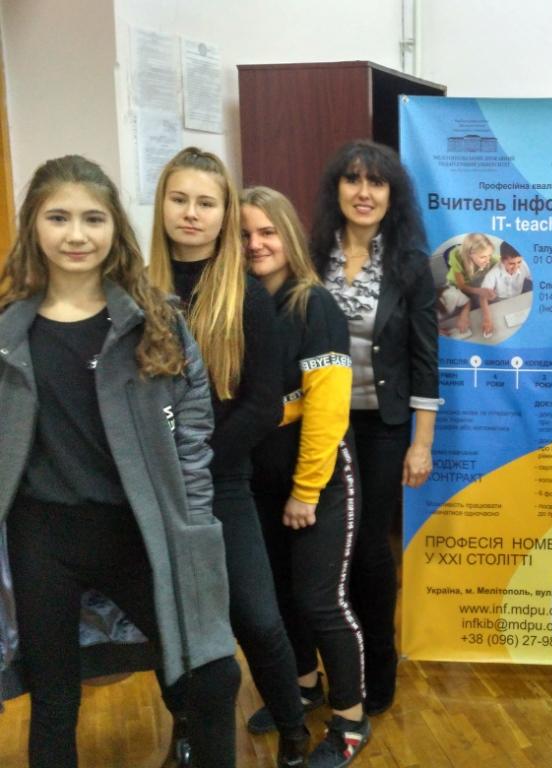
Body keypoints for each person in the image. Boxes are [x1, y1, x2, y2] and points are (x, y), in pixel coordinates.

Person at [0, 155, 240, 767]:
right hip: (42, 537)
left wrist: (193, 521)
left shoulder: (153, 320)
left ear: (115, 228)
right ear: (33, 226)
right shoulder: (8, 331)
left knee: (211, 677)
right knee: (54, 699)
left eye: (93, 218)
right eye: (58, 218)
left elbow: (193, 426)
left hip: (140, 529)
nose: (76, 235)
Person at [148, 148, 309, 767]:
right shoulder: (136, 291)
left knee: (258, 618)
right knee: (172, 627)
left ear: (224, 215)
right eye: (180, 199)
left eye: (206, 202)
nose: (191, 213)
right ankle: (187, 731)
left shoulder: (246, 297)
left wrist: (196, 468)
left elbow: (262, 406)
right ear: (162, 205)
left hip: (222, 482)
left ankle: (293, 729)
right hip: (155, 492)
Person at [241, 186, 370, 768]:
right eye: (244, 234)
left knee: (321, 601)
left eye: (267, 232)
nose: (255, 244)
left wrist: (304, 490)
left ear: (289, 236)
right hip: (258, 482)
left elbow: (326, 409)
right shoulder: (240, 305)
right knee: (280, 598)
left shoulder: (313, 305)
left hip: (319, 482)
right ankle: (303, 686)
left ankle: (351, 719)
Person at [311, 140, 439, 716]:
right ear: (336, 189)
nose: (364, 193)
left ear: (392, 195)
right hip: (318, 425)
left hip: (382, 428)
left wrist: (421, 443)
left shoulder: (410, 264)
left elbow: (425, 360)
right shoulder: (311, 256)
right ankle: (332, 669)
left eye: (376, 182)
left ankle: (377, 670)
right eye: (353, 179)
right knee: (321, 549)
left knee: (367, 548)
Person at [438, 232, 498, 337]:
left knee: (475, 316)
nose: (487, 260)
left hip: (475, 285)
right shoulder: (456, 255)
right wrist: (480, 291)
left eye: (489, 255)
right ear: (470, 254)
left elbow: (501, 263)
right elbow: (461, 287)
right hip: (456, 287)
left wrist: (487, 318)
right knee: (456, 317)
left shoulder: (493, 260)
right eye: (483, 257)